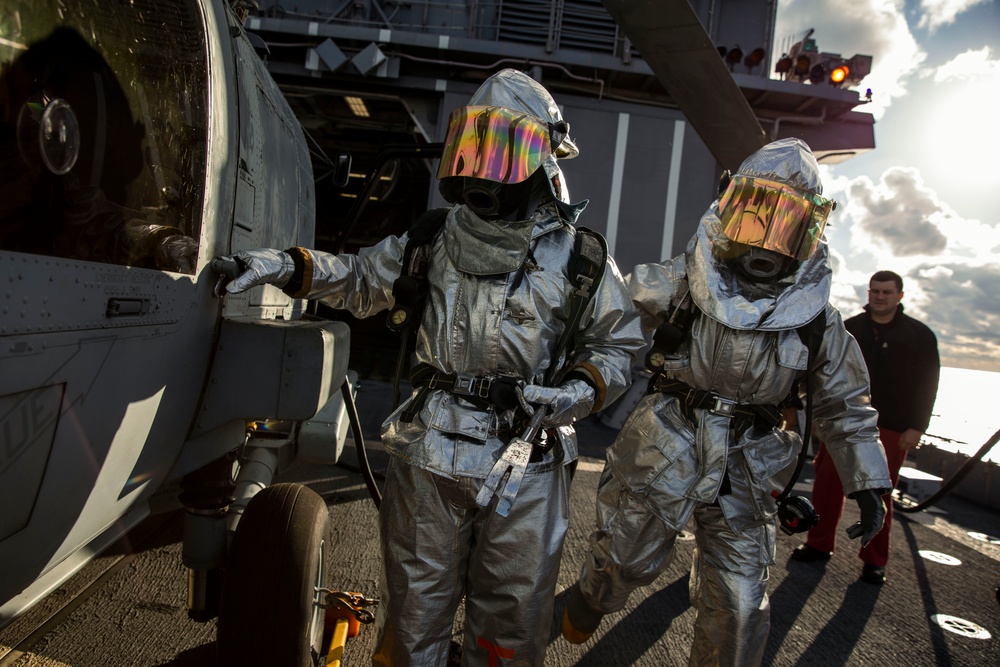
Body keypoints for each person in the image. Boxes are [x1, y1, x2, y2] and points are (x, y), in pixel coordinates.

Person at [218, 68, 645, 666]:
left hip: (529, 453)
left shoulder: (581, 259)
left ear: (544, 160)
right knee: (414, 618)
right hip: (430, 449)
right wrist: (285, 267)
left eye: (504, 151)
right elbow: (361, 277)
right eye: (477, 147)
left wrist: (575, 393)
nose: (483, 168)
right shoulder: (435, 240)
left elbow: (616, 347)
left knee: (511, 628)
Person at [560, 138, 892, 666]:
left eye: (785, 223)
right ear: (731, 208)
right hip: (668, 440)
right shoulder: (684, 282)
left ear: (809, 231)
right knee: (625, 561)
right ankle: (591, 596)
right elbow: (609, 326)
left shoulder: (816, 322)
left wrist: (871, 483)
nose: (766, 239)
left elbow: (845, 407)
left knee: (739, 606)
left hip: (749, 463)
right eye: (757, 216)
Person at [790, 270, 940, 585]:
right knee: (827, 486)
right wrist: (819, 417)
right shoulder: (849, 329)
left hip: (891, 427)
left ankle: (874, 561)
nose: (880, 297)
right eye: (875, 291)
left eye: (887, 292)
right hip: (841, 421)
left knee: (878, 494)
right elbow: (824, 374)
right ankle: (818, 544)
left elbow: (928, 384)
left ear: (900, 296)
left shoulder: (919, 335)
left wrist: (917, 427)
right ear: (869, 293)